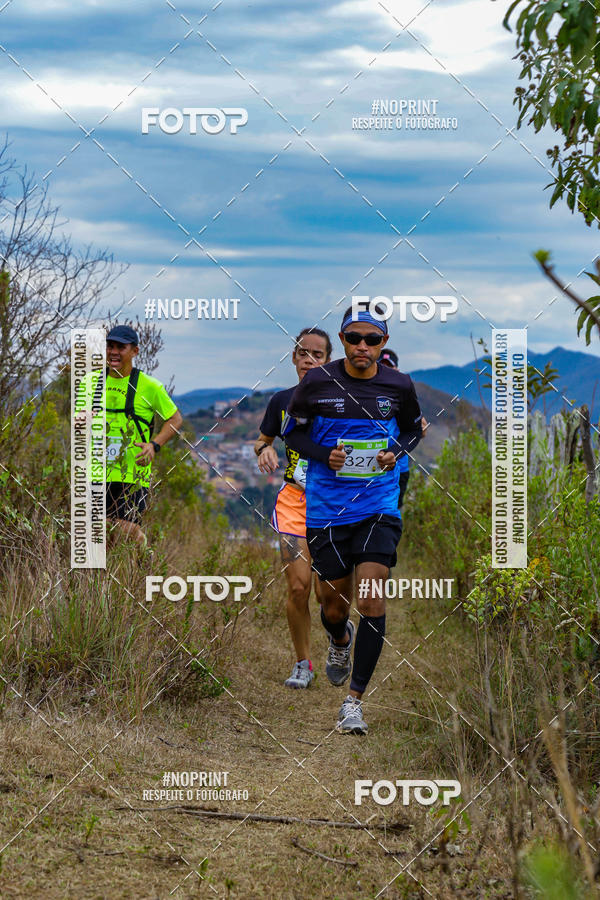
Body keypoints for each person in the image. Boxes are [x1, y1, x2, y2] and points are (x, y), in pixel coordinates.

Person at [284, 306, 422, 734]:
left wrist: (395, 452)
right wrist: (325, 455)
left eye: (373, 340)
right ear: (342, 340)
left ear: (384, 343)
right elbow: (293, 433)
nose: (363, 347)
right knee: (332, 606)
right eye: (354, 338)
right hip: (326, 510)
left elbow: (415, 428)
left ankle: (353, 703)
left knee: (371, 597)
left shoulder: (398, 385)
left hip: (378, 506)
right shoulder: (316, 384)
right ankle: (339, 640)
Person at [254, 327, 332, 688]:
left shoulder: (342, 401)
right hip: (294, 502)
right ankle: (303, 662)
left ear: (329, 360)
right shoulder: (281, 401)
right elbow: (263, 439)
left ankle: (338, 629)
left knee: (326, 596)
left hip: (335, 504)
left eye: (317, 354)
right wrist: (264, 450)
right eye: (303, 353)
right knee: (299, 588)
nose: (309, 359)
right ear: (293, 358)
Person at [76, 325, 182, 547]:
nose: (113, 352)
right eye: (110, 346)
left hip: (133, 471)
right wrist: (81, 420)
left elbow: (175, 420)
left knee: (127, 528)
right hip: (97, 468)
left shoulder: (150, 386)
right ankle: (108, 579)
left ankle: (144, 561)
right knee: (101, 531)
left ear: (134, 351)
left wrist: (154, 445)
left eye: (120, 347)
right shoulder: (89, 383)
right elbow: (80, 422)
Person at [379, 347, 429, 508]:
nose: (386, 369)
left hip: (399, 466)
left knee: (392, 511)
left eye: (390, 366)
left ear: (396, 369)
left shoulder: (403, 395)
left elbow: (421, 428)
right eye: (382, 365)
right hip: (371, 465)